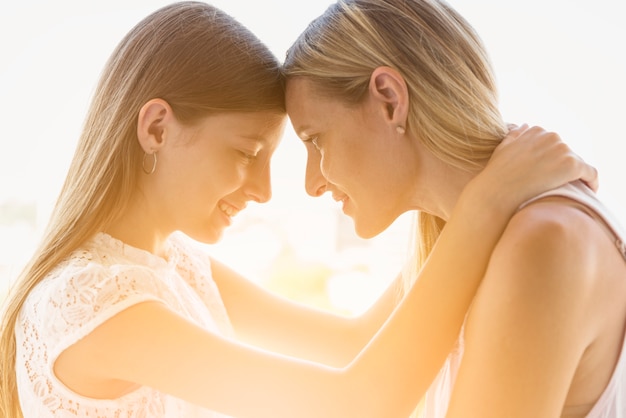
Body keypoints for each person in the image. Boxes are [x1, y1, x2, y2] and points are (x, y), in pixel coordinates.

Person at [0, 2, 598, 418]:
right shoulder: (91, 305)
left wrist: (468, 195)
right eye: (245, 152)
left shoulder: (176, 268)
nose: (264, 189)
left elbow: (356, 341)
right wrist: (485, 204)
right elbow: (354, 401)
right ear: (157, 127)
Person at [282, 0, 626, 417]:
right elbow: (351, 347)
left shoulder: (542, 242)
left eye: (315, 139)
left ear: (389, 100)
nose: (311, 184)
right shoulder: (464, 239)